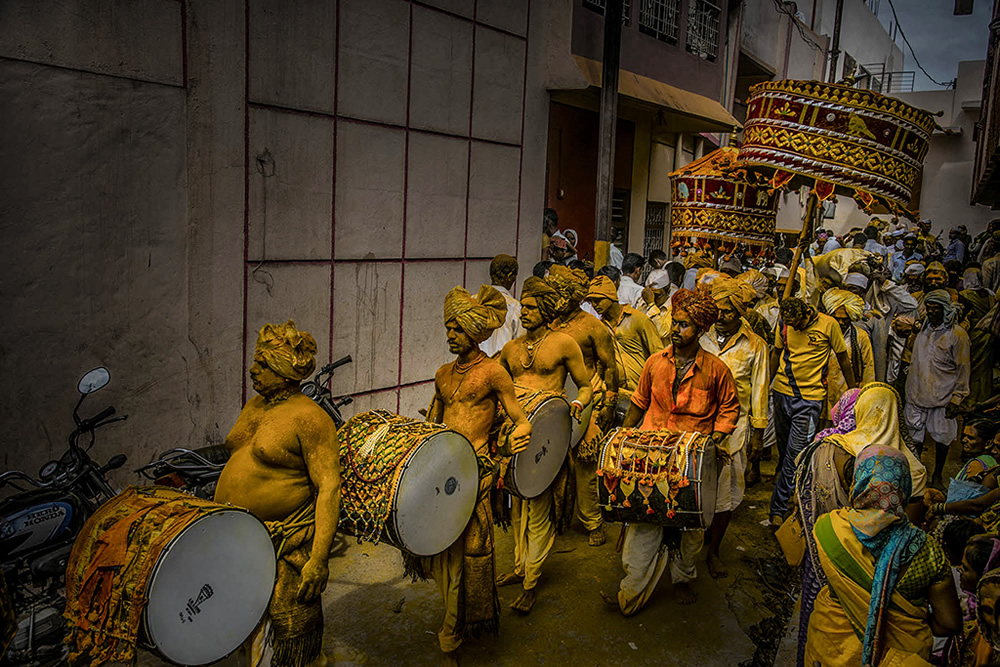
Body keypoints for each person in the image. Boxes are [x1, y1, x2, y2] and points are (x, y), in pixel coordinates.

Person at [214, 321, 341, 667]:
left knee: (288, 643)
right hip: (237, 539)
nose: (253, 370)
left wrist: (319, 559)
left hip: (282, 541)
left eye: (263, 365)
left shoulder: (310, 419)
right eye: (256, 362)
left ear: (285, 372)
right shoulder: (254, 406)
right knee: (242, 629)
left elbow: (329, 487)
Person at [606, 289, 740, 611]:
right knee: (644, 519)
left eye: (683, 326)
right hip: (652, 453)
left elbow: (729, 410)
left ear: (701, 330)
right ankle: (631, 589)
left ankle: (682, 579)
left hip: (692, 458)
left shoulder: (717, 369)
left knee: (689, 530)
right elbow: (639, 402)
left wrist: (715, 442)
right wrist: (623, 436)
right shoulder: (655, 362)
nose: (675, 330)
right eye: (674, 323)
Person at [423, 286, 532, 666]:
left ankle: (451, 635)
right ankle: (460, 617)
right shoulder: (441, 374)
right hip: (443, 473)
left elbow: (521, 422)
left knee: (464, 553)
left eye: (456, 329)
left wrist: (512, 443)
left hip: (477, 472)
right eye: (448, 329)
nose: (450, 336)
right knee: (438, 551)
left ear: (474, 332)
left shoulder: (493, 373)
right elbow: (433, 425)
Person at [804, 447, 961, 666]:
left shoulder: (829, 528)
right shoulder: (927, 550)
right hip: (902, 654)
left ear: (858, 483)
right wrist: (903, 618)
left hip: (832, 647)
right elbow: (950, 623)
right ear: (905, 486)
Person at [496, 277, 593, 614]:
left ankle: (531, 584)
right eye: (524, 305)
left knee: (539, 508)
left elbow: (586, 385)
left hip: (549, 434)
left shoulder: (565, 343)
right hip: (517, 432)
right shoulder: (511, 349)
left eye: (534, 306)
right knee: (517, 505)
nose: (526, 311)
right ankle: (520, 567)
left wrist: (579, 404)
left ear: (548, 310)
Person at [547, 265, 619, 546]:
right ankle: (558, 517)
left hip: (588, 400)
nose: (554, 296)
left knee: (585, 463)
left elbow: (610, 367)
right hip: (555, 400)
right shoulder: (551, 323)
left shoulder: (592, 326)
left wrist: (609, 405)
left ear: (570, 296)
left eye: (558, 291)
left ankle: (592, 522)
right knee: (553, 462)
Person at [700, 279, 768, 578]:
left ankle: (713, 551)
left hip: (735, 429)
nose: (723, 316)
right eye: (719, 310)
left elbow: (759, 392)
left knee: (725, 495)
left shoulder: (755, 345)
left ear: (739, 313)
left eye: (729, 311)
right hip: (697, 424)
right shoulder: (701, 338)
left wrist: (758, 433)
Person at [769, 297, 857, 527]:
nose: (794, 329)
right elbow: (776, 354)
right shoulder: (784, 324)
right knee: (783, 448)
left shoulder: (829, 325)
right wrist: (765, 386)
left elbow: (843, 359)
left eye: (798, 324)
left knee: (795, 454)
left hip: (810, 399)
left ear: (807, 315)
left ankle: (777, 507)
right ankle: (790, 490)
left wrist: (856, 390)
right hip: (782, 393)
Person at [904, 289, 971, 487]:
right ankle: (917, 473)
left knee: (943, 438)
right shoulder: (923, 330)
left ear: (945, 309)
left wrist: (957, 398)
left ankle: (937, 475)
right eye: (929, 307)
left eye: (936, 308)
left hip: (942, 397)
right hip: (916, 394)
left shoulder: (957, 335)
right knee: (915, 436)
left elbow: (963, 369)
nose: (932, 311)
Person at [586, 275, 663, 395]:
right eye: (592, 302)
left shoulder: (638, 319)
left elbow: (658, 356)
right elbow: (601, 363)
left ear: (610, 297)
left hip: (643, 391)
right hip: (617, 392)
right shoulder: (601, 328)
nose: (594, 305)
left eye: (598, 300)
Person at [821, 288, 875, 419]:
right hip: (821, 397)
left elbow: (868, 370)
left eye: (845, 319)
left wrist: (862, 397)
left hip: (847, 398)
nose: (840, 323)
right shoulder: (821, 334)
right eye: (837, 318)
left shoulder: (860, 337)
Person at [959, 267, 996, 408]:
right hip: (988, 335)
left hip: (973, 335)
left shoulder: (965, 295)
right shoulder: (989, 295)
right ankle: (984, 398)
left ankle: (971, 400)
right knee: (985, 369)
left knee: (972, 369)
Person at [479, 255, 524, 357]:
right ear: (510, 276)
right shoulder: (515, 307)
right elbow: (519, 345)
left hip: (474, 368)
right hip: (502, 368)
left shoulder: (474, 301)